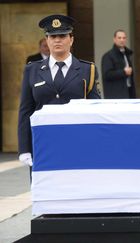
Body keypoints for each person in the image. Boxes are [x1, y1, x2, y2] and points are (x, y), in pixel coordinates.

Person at [18, 14, 100, 168]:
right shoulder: (32, 70)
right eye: (52, 36)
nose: (57, 40)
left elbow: (96, 109)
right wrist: (24, 148)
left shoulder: (87, 70)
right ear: (47, 41)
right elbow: (25, 111)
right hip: (42, 144)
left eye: (62, 36)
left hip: (77, 143)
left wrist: (95, 143)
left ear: (71, 39)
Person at [101, 30, 136, 99]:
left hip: (128, 91)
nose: (122, 40)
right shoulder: (108, 56)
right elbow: (107, 74)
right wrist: (124, 72)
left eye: (124, 38)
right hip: (115, 95)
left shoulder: (127, 54)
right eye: (119, 38)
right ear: (114, 39)